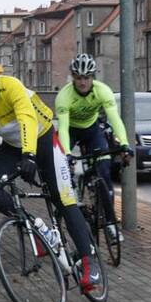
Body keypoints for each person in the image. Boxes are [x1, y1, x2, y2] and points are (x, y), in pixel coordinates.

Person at [0, 55, 101, 293]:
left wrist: (29, 155)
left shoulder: (10, 87)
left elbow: (28, 119)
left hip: (44, 138)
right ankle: (36, 227)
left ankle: (89, 261)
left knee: (64, 200)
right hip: (14, 146)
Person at [54, 54, 132, 243]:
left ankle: (111, 225)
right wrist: (66, 154)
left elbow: (115, 119)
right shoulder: (64, 96)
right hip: (71, 130)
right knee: (63, 170)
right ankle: (65, 212)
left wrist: (124, 144)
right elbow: (62, 128)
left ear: (93, 77)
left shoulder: (103, 91)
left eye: (87, 77)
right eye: (79, 78)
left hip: (92, 130)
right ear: (73, 77)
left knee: (104, 173)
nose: (83, 82)